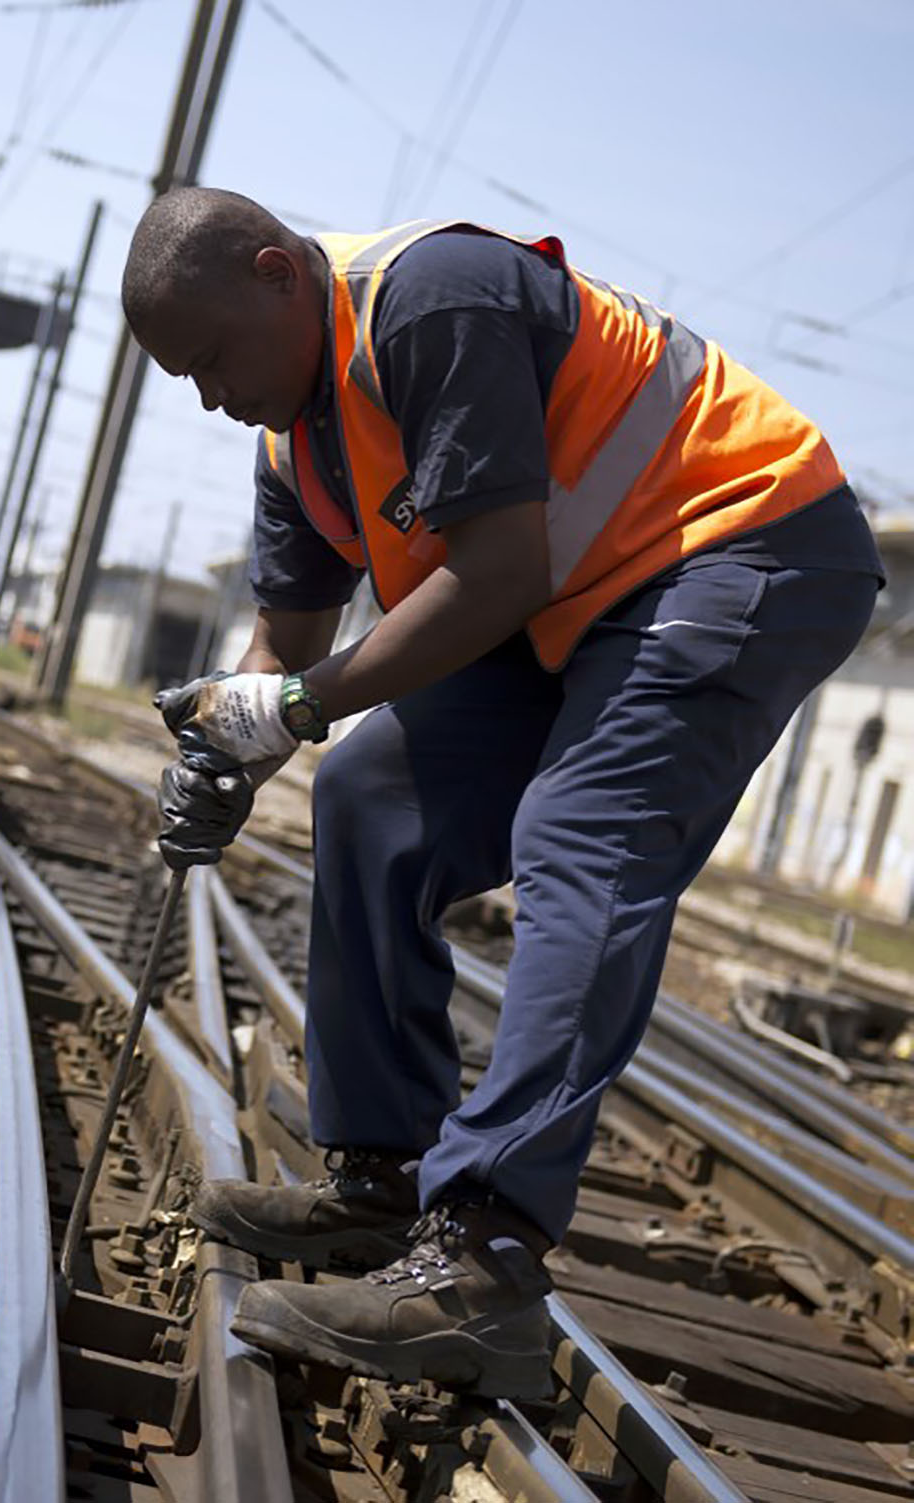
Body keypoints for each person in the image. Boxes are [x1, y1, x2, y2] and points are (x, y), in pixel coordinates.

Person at [123, 186, 884, 1398]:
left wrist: (302, 707)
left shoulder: (428, 299)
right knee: (372, 788)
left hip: (742, 542)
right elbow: (286, 641)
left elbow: (491, 576)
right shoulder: (292, 442)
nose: (212, 397)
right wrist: (230, 746)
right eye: (187, 381)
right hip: (577, 610)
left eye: (212, 359)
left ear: (279, 272)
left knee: (581, 837)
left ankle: (480, 1259)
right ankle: (381, 1179)